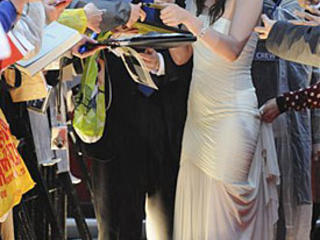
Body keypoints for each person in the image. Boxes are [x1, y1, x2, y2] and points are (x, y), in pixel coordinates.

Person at [159, 0, 280, 239]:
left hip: (232, 115)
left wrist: (188, 19)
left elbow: (231, 50)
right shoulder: (195, 1)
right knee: (197, 212)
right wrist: (170, 16)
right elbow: (182, 56)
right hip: (197, 117)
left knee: (227, 216)